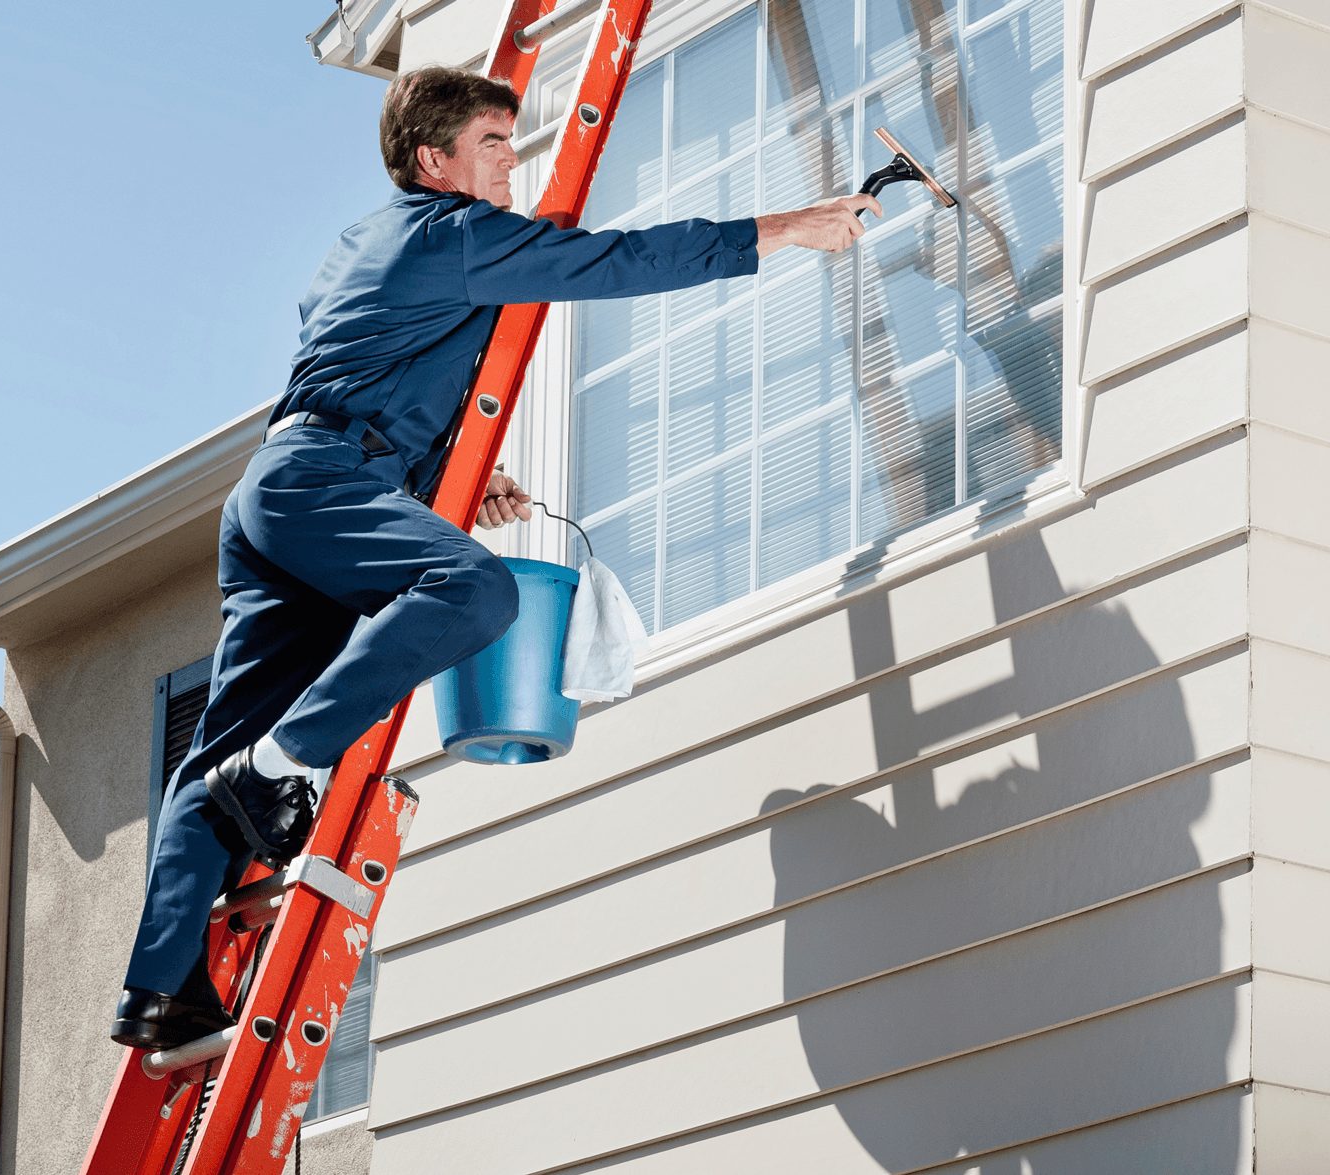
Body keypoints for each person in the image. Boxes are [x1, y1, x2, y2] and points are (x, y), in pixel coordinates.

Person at [110, 66, 880, 1049]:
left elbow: (374, 368)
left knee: (218, 743)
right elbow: (608, 260)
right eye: (493, 145)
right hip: (325, 482)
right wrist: (786, 229)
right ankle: (278, 767)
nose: (512, 162)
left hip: (284, 490)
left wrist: (452, 476)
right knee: (472, 589)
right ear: (435, 161)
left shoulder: (364, 242)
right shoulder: (454, 233)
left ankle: (161, 984)